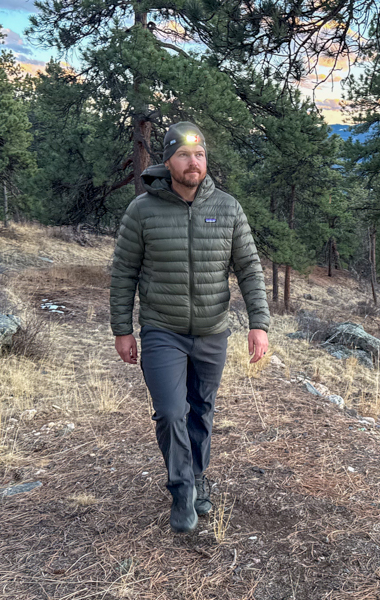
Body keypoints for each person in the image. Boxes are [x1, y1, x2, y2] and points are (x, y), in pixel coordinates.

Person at [110, 122, 270, 533]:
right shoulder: (142, 210)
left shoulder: (228, 207)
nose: (193, 162)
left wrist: (259, 324)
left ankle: (198, 477)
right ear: (168, 161)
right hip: (163, 330)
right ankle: (181, 490)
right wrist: (122, 329)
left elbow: (249, 268)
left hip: (213, 331)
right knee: (169, 412)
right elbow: (124, 272)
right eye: (184, 154)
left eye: (199, 154)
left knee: (202, 410)